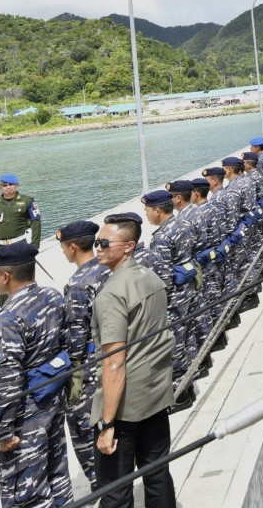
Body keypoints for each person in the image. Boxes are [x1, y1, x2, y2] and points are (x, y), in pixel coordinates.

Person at [92, 213, 175, 507]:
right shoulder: (150, 277)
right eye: (96, 243)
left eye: (104, 243)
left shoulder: (111, 295)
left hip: (124, 406)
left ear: (128, 246)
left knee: (115, 490)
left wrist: (107, 424)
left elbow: (114, 363)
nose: (98, 249)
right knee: (157, 475)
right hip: (154, 393)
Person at [0, 242, 72, 508]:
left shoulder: (7, 320)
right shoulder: (53, 296)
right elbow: (66, 343)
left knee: (26, 493)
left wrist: (3, 432)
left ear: (6, 277)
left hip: (25, 415)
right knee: (57, 474)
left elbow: (5, 381)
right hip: (52, 397)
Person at [57, 219, 110, 492]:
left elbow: (76, 336)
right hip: (112, 355)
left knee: (83, 428)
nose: (63, 252)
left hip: (90, 366)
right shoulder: (107, 268)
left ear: (73, 246)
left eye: (63, 247)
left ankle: (99, 483)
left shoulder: (79, 284)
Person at [0, 173, 42, 264]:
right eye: (4, 185)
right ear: (0, 186)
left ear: (17, 185)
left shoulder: (27, 202)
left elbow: (36, 223)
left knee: (22, 275)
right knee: (1, 276)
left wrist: (34, 246)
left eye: (11, 184)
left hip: (21, 246)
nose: (8, 187)